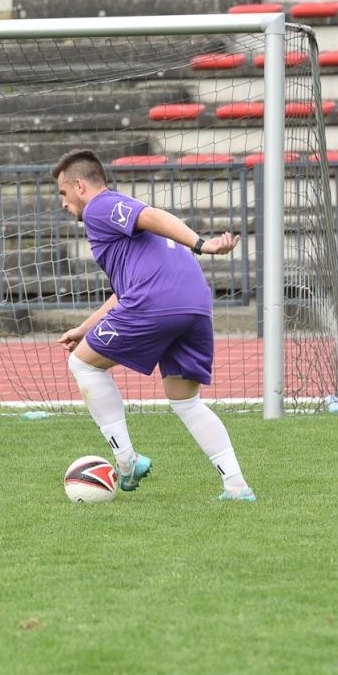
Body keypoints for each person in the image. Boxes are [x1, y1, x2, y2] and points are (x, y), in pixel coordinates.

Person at [51, 148, 256, 501]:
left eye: (63, 194)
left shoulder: (101, 206)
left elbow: (151, 214)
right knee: (186, 401)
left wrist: (201, 244)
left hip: (155, 302)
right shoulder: (123, 232)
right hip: (194, 304)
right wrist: (86, 327)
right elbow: (126, 291)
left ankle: (127, 460)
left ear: (80, 185)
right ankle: (237, 486)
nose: (63, 204)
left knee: (82, 364)